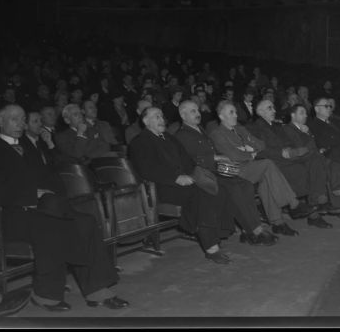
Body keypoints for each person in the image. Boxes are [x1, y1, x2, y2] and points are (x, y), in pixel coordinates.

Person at [0, 104, 129, 312]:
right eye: (14, 119)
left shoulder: (29, 146)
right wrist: (31, 195)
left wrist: (55, 195)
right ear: (0, 122)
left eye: (23, 119)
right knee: (51, 227)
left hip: (46, 207)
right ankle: (46, 295)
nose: (20, 124)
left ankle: (97, 289)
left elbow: (49, 176)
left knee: (85, 222)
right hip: (13, 215)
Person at [130, 107, 236, 264]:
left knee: (218, 189)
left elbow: (187, 161)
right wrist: (176, 178)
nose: (161, 119)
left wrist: (195, 174)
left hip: (184, 181)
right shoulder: (140, 142)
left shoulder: (169, 137)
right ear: (145, 121)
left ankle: (216, 233)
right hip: (162, 187)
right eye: (156, 117)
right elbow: (148, 170)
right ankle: (211, 248)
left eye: (162, 116)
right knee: (201, 195)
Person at [175, 100, 277, 246]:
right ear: (182, 115)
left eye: (197, 110)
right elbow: (191, 159)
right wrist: (215, 157)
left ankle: (247, 230)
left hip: (218, 169)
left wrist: (223, 156)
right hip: (204, 174)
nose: (198, 114)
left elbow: (213, 150)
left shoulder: (200, 130)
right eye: (193, 111)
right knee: (234, 189)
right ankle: (255, 230)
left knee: (246, 185)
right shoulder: (182, 135)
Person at [210, 101, 319, 234]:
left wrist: (247, 149)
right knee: (267, 164)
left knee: (266, 180)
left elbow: (261, 145)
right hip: (237, 170)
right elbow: (233, 155)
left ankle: (278, 223)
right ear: (221, 116)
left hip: (250, 166)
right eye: (231, 113)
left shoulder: (240, 129)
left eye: (235, 112)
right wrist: (250, 152)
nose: (235, 115)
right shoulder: (217, 133)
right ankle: (293, 204)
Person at [253, 99, 335, 223]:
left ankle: (319, 201)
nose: (274, 110)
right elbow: (259, 149)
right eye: (270, 108)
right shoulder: (255, 127)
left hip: (289, 157)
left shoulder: (277, 126)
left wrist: (297, 143)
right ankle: (314, 205)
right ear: (260, 112)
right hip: (275, 161)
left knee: (315, 159)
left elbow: (290, 142)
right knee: (309, 163)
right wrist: (282, 152)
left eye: (273, 107)